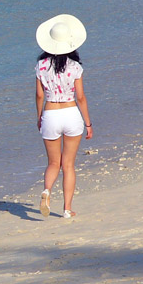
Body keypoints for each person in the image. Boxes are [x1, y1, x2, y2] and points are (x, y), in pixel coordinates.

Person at [34, 14, 93, 219]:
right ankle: (67, 210)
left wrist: (40, 116)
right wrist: (88, 123)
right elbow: (81, 97)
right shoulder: (75, 67)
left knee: (53, 163)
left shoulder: (41, 66)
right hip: (71, 114)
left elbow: (40, 95)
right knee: (68, 165)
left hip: (50, 113)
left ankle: (47, 191)